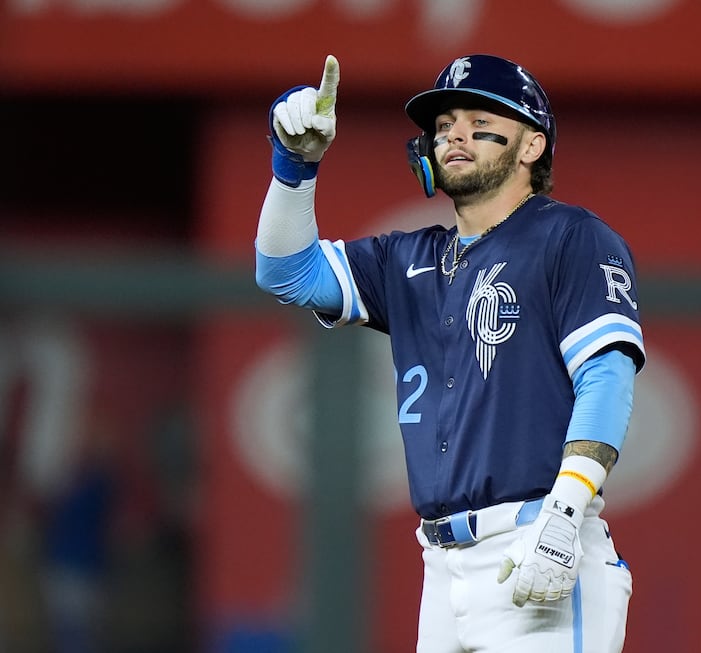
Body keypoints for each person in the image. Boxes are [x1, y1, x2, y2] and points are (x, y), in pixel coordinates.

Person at [255, 53, 645, 652]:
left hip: (538, 537)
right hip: (441, 565)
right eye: (443, 125)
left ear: (532, 145)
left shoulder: (570, 236)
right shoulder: (407, 259)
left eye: (479, 120)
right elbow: (285, 272)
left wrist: (565, 512)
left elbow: (607, 376)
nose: (455, 134)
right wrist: (294, 166)